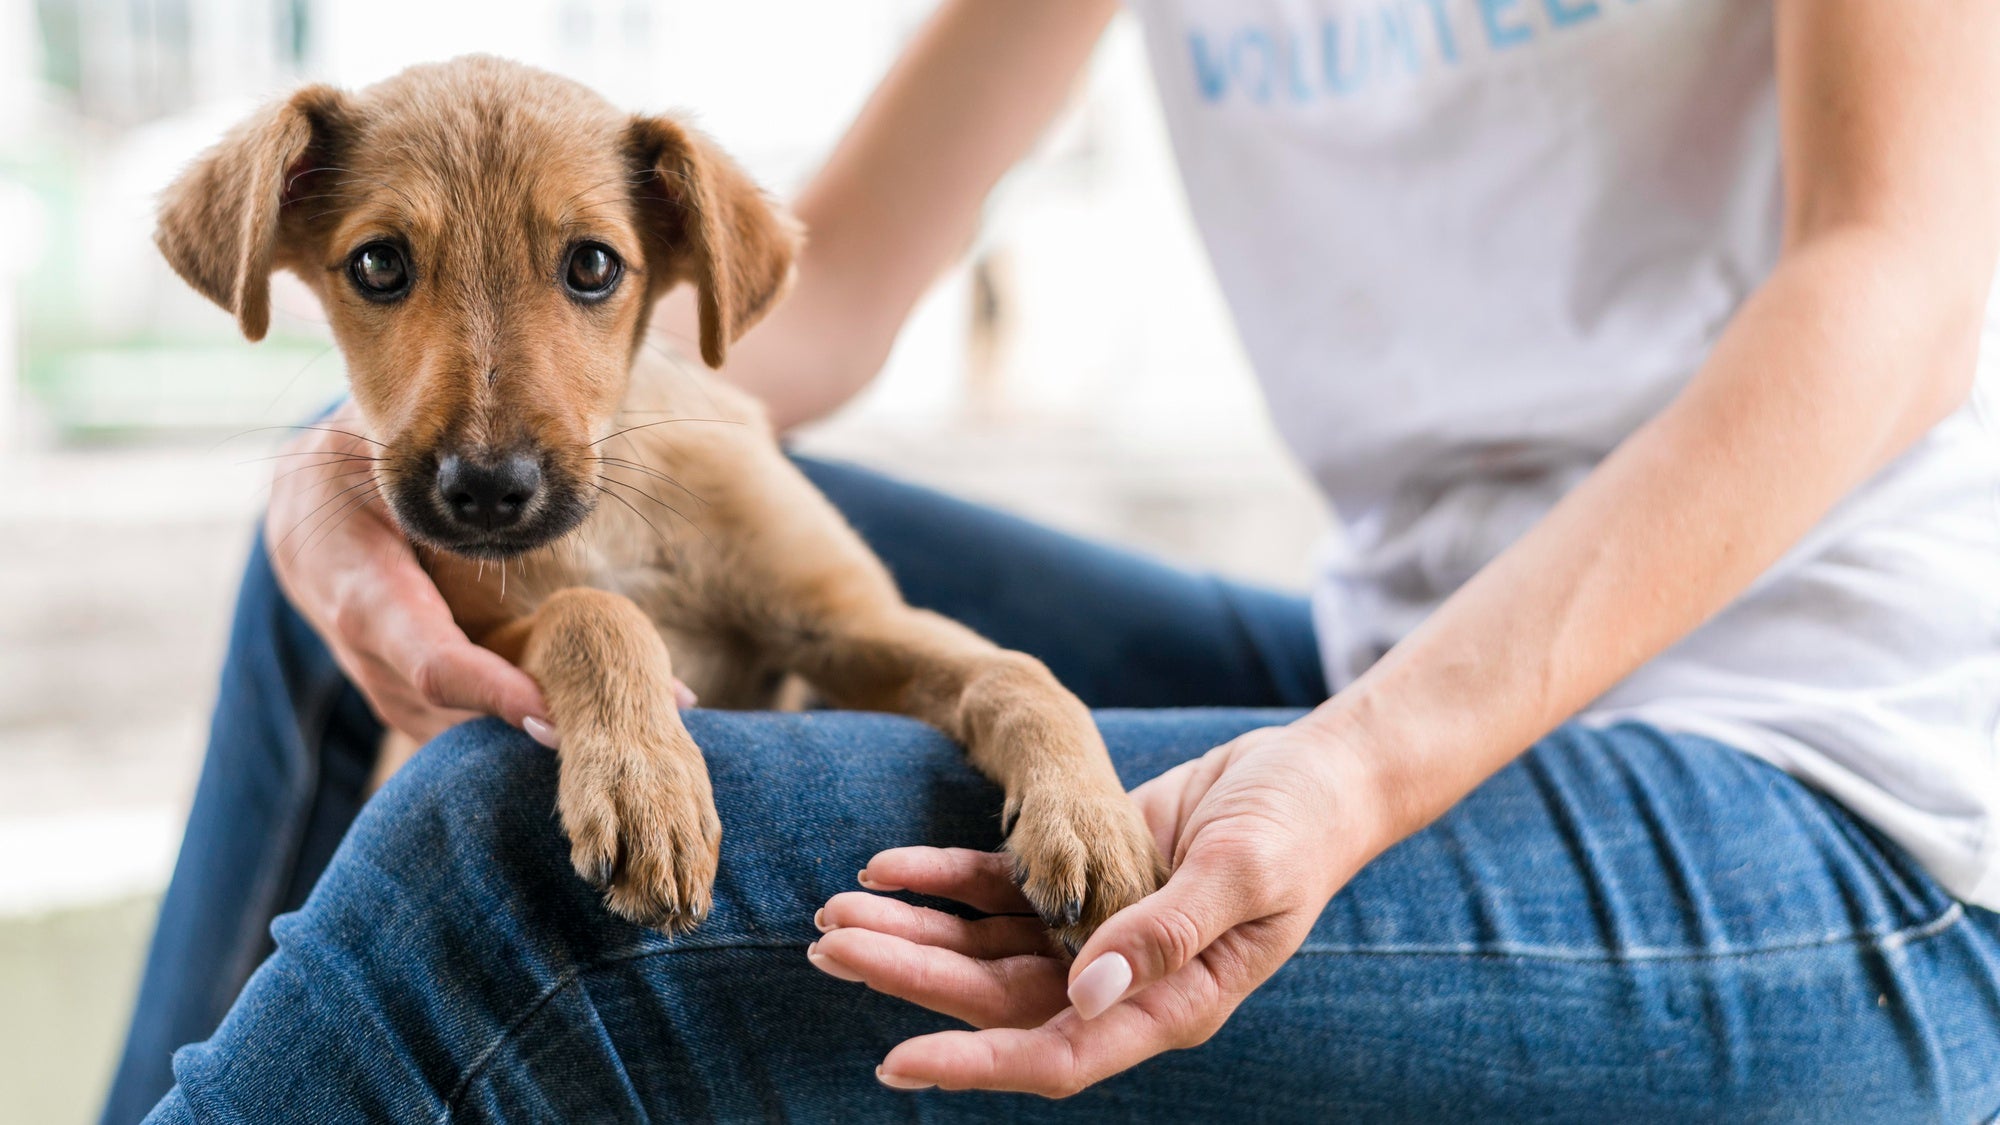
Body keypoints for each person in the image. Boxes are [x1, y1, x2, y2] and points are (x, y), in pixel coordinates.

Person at [104, 1, 2000, 1120]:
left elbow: (1896, 290)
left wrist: (1357, 768)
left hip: (1840, 775)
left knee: (505, 857)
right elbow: (809, 297)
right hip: (1385, 639)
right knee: (345, 582)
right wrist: (352, 464)